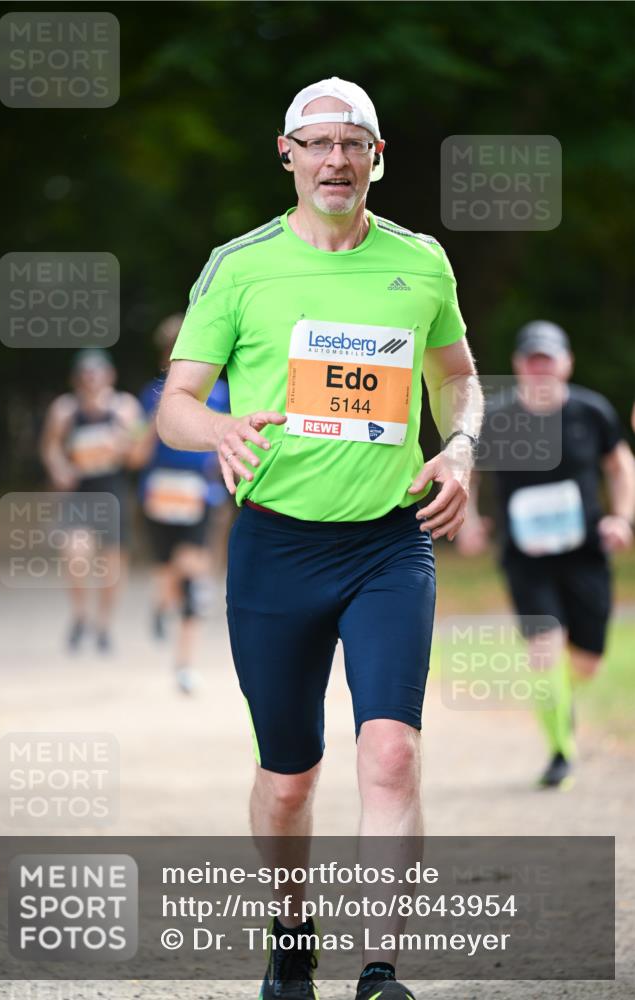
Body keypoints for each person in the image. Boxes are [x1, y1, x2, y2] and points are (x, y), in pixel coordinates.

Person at [158, 77, 483, 1000]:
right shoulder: (239, 265)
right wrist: (216, 428)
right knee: (290, 777)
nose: (335, 160)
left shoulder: (421, 263)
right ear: (286, 153)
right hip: (275, 546)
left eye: (353, 144)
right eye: (318, 143)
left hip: (388, 542)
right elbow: (177, 403)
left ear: (376, 158)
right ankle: (290, 933)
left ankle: (380, 969)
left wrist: (458, 447)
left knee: (390, 752)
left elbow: (458, 378)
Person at [458, 320, 635, 788]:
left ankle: (557, 697)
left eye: (548, 360)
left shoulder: (590, 412)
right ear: (518, 366)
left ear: (566, 363)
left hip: (584, 554)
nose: (540, 369)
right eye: (531, 361)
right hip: (525, 557)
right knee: (543, 651)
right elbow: (468, 473)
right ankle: (561, 751)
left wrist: (623, 518)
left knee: (587, 662)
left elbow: (620, 467)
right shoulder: (496, 418)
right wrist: (471, 522)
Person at [136, 314, 230, 694]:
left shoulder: (224, 391)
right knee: (169, 570)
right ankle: (162, 602)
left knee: (192, 575)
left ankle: (184, 665)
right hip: (160, 494)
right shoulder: (153, 394)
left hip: (200, 494)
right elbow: (138, 450)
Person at [40, 349, 144, 652]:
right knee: (75, 555)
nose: (91, 380)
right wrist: (59, 467)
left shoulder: (125, 408)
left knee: (113, 567)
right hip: (79, 494)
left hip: (113, 492)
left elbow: (139, 451)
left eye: (96, 373)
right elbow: (50, 447)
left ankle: (104, 625)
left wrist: (124, 445)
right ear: (76, 379)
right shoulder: (64, 409)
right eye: (85, 374)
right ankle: (80, 615)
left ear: (109, 375)